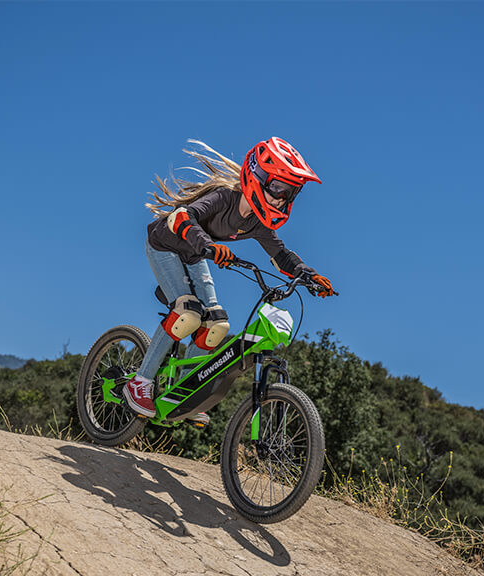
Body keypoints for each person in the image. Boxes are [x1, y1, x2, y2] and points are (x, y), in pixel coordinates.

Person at [123, 138, 335, 423]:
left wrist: (308, 275)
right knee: (187, 312)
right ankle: (140, 382)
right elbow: (181, 216)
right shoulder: (225, 197)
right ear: (257, 177)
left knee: (218, 323)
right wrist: (208, 244)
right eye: (279, 189)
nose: (281, 199)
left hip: (195, 254)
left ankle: (184, 391)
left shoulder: (258, 222)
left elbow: (280, 254)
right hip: (166, 246)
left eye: (289, 193)